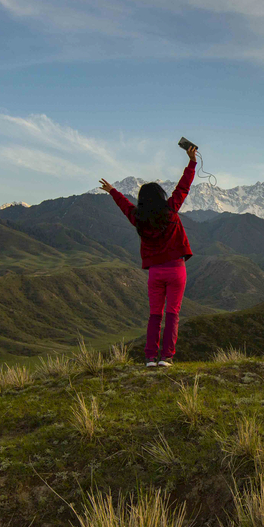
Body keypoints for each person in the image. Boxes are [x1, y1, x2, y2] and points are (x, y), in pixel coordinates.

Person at [99, 144, 197, 367]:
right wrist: (192, 162)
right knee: (173, 314)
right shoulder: (171, 209)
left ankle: (150, 357)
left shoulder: (138, 218)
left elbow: (125, 206)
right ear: (161, 196)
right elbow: (183, 188)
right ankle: (166, 358)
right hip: (176, 270)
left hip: (155, 273)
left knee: (155, 315)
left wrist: (113, 191)